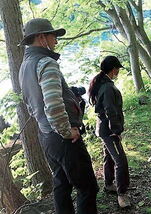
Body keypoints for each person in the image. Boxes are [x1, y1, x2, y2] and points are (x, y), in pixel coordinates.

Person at [19, 18, 98, 214]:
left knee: (61, 185)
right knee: (87, 188)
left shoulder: (25, 65)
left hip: (46, 135)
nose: (56, 40)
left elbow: (30, 102)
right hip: (63, 138)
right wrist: (66, 132)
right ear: (41, 37)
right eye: (53, 35)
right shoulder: (46, 62)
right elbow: (53, 104)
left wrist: (47, 127)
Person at [88, 56, 131, 208]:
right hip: (109, 130)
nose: (118, 71)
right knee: (121, 161)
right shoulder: (107, 87)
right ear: (113, 69)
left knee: (109, 156)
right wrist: (116, 129)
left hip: (103, 128)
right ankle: (122, 194)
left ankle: (108, 184)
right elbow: (110, 110)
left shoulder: (103, 83)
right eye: (117, 68)